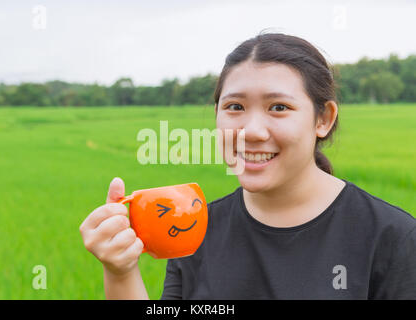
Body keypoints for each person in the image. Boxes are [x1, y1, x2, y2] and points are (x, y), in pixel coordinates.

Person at [79, 32, 416, 300]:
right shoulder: (192, 230)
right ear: (216, 116)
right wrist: (120, 272)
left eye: (279, 107)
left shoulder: (391, 237)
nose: (251, 131)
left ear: (323, 119)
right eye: (235, 106)